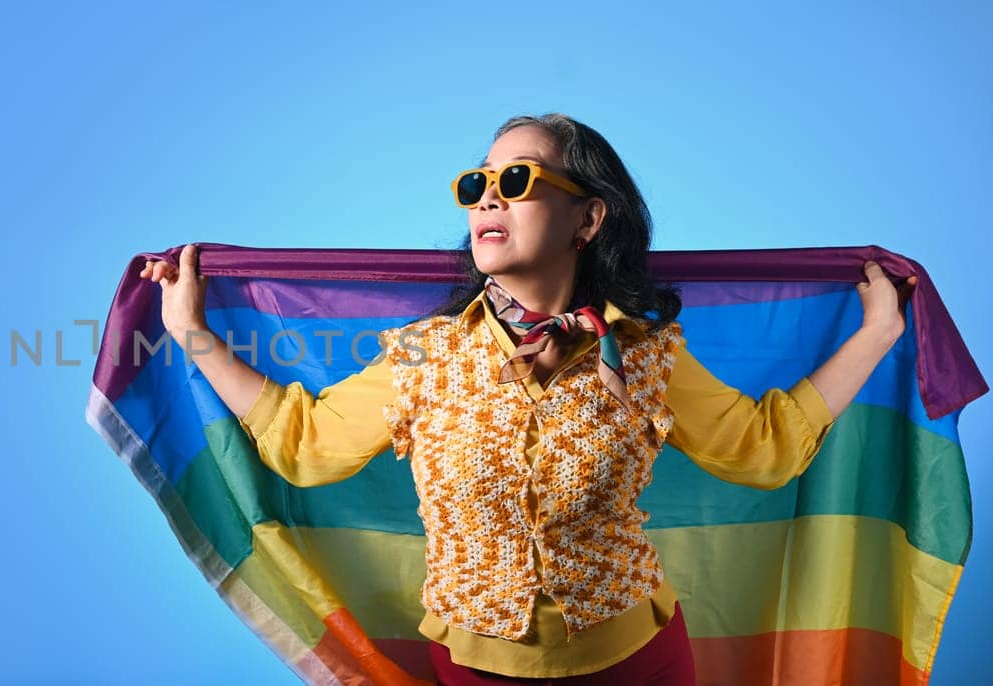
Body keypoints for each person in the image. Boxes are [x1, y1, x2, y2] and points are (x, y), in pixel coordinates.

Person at [136, 113, 917, 686]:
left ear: (588, 216)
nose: (486, 200)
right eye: (476, 184)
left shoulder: (645, 354)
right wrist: (191, 330)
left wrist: (877, 332)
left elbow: (764, 446)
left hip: (639, 663)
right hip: (476, 671)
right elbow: (304, 444)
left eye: (516, 181)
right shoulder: (422, 357)